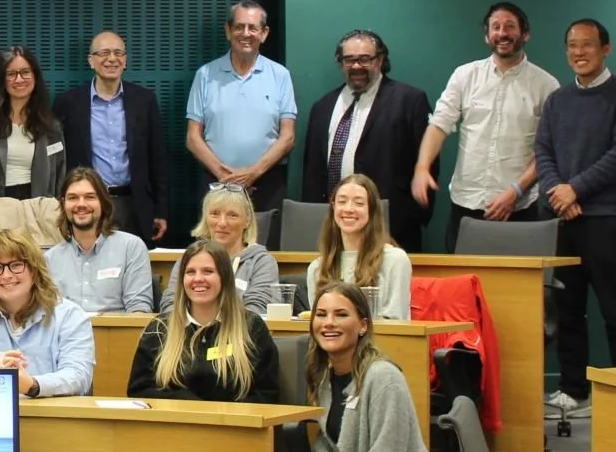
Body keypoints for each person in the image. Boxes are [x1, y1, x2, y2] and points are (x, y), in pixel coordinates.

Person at [536, 18, 616, 413]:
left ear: (606, 49)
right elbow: (543, 152)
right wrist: (559, 194)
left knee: (615, 310)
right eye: (572, 46)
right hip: (563, 218)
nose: (579, 53)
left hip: (605, 218)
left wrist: (575, 189)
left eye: (587, 45)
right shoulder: (557, 100)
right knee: (567, 310)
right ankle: (573, 388)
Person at [413, 2, 562, 253]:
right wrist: (422, 167)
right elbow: (439, 124)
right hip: (465, 206)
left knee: (515, 290)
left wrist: (516, 191)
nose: (502, 33)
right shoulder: (465, 75)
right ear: (487, 36)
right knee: (463, 288)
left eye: (510, 27)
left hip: (519, 208)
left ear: (525, 34)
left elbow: (549, 150)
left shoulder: (546, 85)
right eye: (496, 27)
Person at [300, 30, 433, 252]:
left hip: (391, 232)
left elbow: (427, 165)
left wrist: (405, 224)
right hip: (334, 232)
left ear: (380, 60)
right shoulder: (322, 107)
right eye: (349, 59)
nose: (356, 66)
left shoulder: (410, 101)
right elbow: (312, 173)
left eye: (365, 59)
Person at [305, 282, 439, 452]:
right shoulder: (323, 377)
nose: (329, 322)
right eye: (321, 314)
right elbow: (327, 447)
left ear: (363, 326)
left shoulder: (384, 377)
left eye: (341, 315)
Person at [0, 229, 95, 398]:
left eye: (16, 265)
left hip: (52, 418)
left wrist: (32, 385)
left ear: (34, 270)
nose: (6, 275)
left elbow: (78, 376)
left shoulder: (70, 316)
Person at [53, 30, 172, 243]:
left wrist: (160, 209)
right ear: (91, 61)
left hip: (133, 203)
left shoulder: (144, 100)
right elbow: (58, 161)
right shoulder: (68, 103)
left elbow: (158, 159)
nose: (112, 59)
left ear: (125, 60)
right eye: (104, 53)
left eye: (118, 53)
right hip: (88, 203)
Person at [130, 239, 278, 402]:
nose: (198, 279)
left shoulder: (252, 327)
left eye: (208, 271)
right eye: (191, 272)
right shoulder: (159, 329)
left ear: (225, 277)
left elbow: (267, 394)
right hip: (175, 425)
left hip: (233, 425)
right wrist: (184, 404)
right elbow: (139, 391)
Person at [184, 1, 295, 212]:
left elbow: (288, 137)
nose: (246, 33)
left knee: (265, 245)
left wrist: (253, 173)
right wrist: (225, 177)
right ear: (228, 31)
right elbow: (192, 137)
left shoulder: (280, 75)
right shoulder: (205, 75)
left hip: (266, 184)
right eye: (239, 27)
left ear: (264, 33)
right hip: (216, 183)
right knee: (216, 244)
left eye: (253, 28)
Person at [0, 46, 65, 204]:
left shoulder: (51, 126)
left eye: (25, 72)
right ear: (2, 80)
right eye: (11, 74)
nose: (19, 79)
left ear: (35, 77)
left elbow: (59, 174)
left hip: (37, 208)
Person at [159, 184, 279, 317]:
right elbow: (170, 305)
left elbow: (258, 310)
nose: (222, 223)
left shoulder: (261, 261)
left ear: (247, 221)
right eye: (215, 214)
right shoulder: (189, 258)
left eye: (232, 215)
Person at [302, 174, 411, 320]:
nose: (349, 209)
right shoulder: (317, 268)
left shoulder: (395, 260)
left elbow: (396, 322)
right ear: (333, 207)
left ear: (372, 210)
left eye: (359, 203)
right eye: (342, 202)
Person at [45, 168, 153, 314]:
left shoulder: (131, 247)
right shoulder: (49, 259)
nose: (81, 204)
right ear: (63, 204)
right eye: (73, 198)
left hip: (117, 335)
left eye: (89, 197)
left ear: (103, 202)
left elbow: (139, 309)